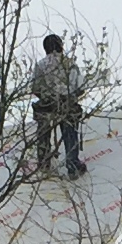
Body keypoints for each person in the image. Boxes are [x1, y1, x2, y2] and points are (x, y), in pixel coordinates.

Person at [27, 33, 86, 178]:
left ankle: (44, 164)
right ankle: (72, 165)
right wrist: (69, 97)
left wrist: (47, 98)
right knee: (70, 132)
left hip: (47, 106)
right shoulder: (70, 64)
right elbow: (80, 87)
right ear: (61, 46)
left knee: (43, 132)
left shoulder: (41, 65)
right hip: (67, 105)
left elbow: (35, 87)